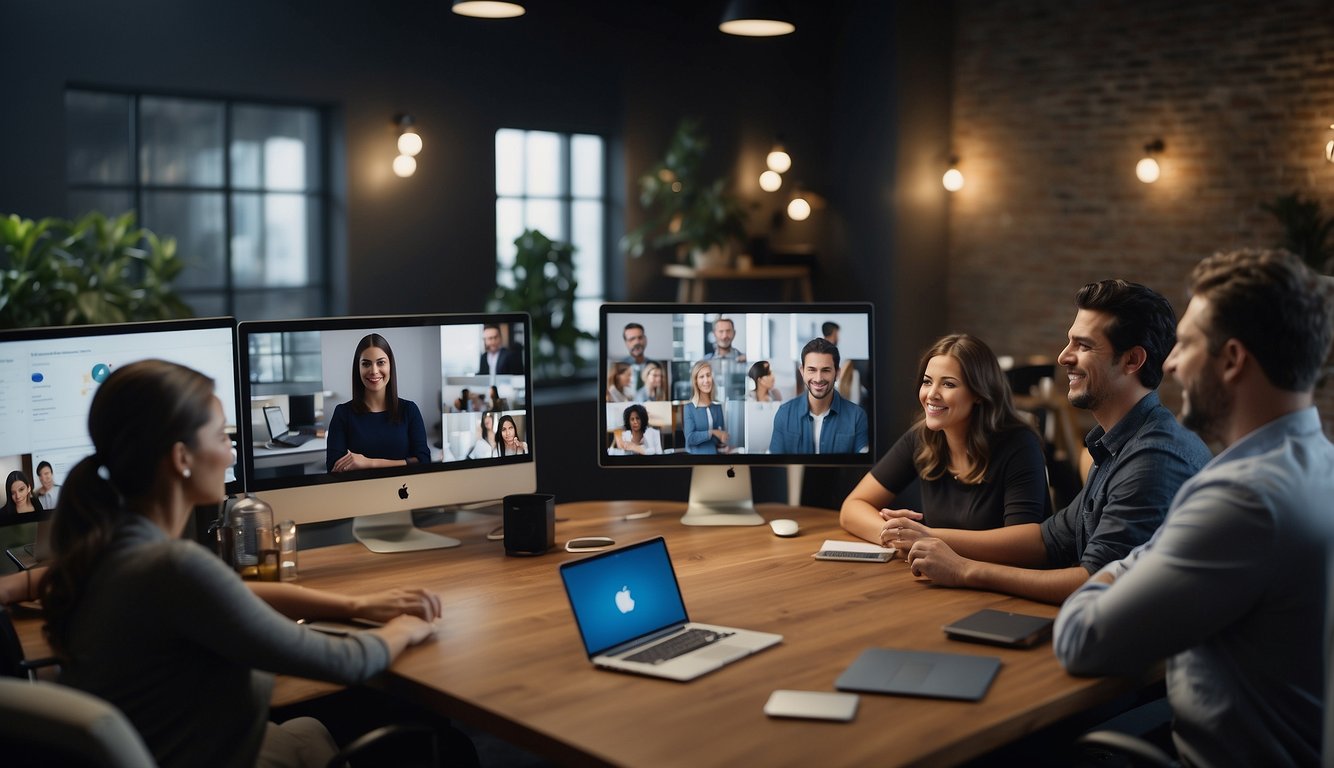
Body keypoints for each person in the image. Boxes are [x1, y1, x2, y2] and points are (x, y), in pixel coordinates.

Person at [38, 359, 442, 768]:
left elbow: (229, 592)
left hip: (179, 746)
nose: (232, 454)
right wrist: (404, 628)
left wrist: (355, 605)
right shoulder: (173, 568)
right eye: (221, 436)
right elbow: (346, 662)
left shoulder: (113, 552)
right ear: (182, 457)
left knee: (307, 729)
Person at [1054, 250, 1334, 766]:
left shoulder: (1242, 499)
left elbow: (1081, 638)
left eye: (1185, 344)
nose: (1173, 363)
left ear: (1231, 360)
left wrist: (1109, 575)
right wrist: (1135, 565)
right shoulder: (1319, 462)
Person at [884, 280, 1211, 604]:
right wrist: (927, 536)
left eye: (1083, 346)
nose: (1062, 357)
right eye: (1070, 342)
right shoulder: (1116, 444)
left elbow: (1096, 584)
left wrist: (965, 570)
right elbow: (1048, 539)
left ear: (1131, 361)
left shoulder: (1152, 458)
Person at [841, 334, 1049, 541]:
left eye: (948, 384)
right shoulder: (922, 437)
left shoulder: (1020, 446)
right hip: (943, 573)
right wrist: (898, 536)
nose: (931, 394)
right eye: (927, 382)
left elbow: (1022, 543)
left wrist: (927, 538)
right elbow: (852, 508)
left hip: (1005, 573)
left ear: (978, 392)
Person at [326, 333, 431, 472]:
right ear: (358, 368)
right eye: (366, 364)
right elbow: (334, 469)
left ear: (390, 366)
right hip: (359, 492)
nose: (374, 371)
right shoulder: (342, 413)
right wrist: (405, 462)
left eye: (380, 362)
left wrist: (370, 463)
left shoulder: (409, 410)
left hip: (402, 491)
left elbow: (424, 460)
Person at [768, 338, 868, 454]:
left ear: (837, 373)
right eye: (812, 370)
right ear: (802, 371)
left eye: (826, 370)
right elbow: (774, 465)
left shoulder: (857, 416)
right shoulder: (784, 414)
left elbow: (864, 465)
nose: (818, 378)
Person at [682, 360, 728, 454]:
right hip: (697, 459)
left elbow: (720, 436)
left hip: (717, 458)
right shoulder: (689, 408)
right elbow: (690, 438)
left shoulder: (717, 406)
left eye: (708, 375)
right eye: (701, 377)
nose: (706, 380)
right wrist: (712, 432)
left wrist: (723, 441)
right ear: (696, 381)